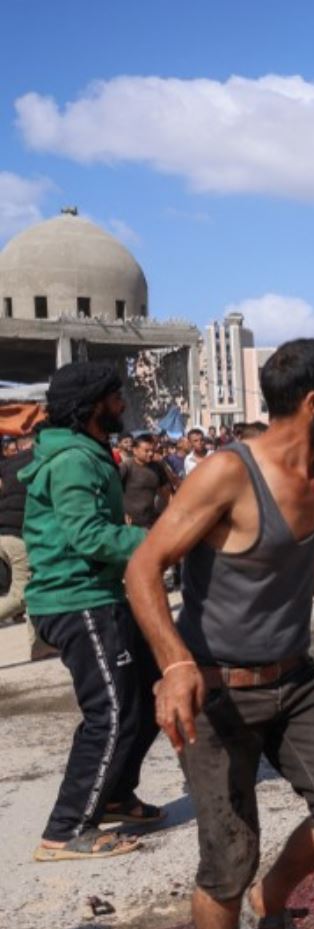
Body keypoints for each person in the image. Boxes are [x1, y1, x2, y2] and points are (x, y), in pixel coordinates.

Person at [124, 338, 314, 929]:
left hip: (294, 680)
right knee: (227, 849)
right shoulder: (228, 473)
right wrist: (173, 663)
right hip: (218, 689)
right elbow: (144, 565)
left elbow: (308, 551)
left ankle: (273, 904)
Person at [22, 364, 168, 861]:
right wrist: (157, 542)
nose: (122, 404)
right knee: (108, 714)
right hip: (76, 599)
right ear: (92, 404)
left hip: (100, 596)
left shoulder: (86, 452)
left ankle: (114, 795)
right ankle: (65, 830)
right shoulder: (71, 462)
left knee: (149, 698)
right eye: (114, 397)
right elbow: (86, 536)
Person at [1, 430, 35, 624]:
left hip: (5, 533)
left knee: (36, 589)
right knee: (21, 597)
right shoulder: (37, 462)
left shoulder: (5, 466)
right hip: (17, 536)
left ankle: (40, 645)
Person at [120, 435, 176, 528]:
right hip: (129, 522)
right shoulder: (126, 467)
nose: (150, 454)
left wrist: (173, 512)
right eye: (146, 451)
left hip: (150, 520)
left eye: (152, 451)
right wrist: (122, 513)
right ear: (135, 450)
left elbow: (166, 492)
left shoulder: (157, 468)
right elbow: (113, 492)